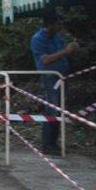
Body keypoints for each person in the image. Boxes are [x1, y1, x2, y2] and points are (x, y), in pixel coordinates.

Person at [31, 14, 76, 155]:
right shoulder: (38, 39)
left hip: (61, 76)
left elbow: (63, 54)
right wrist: (65, 52)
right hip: (49, 77)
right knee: (52, 109)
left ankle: (53, 143)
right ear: (49, 25)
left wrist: (71, 50)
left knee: (59, 109)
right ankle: (47, 144)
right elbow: (45, 60)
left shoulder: (58, 38)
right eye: (57, 24)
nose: (60, 27)